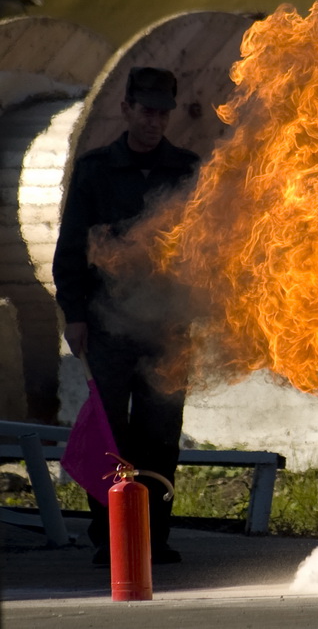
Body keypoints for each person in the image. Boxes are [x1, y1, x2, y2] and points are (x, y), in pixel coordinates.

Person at [53, 66, 199, 566]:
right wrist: (74, 315)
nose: (154, 121)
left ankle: (153, 540)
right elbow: (70, 248)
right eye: (145, 110)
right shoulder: (96, 170)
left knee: (159, 435)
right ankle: (109, 539)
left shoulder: (186, 169)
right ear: (127, 109)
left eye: (163, 112)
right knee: (111, 435)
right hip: (108, 326)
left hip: (168, 328)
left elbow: (206, 245)